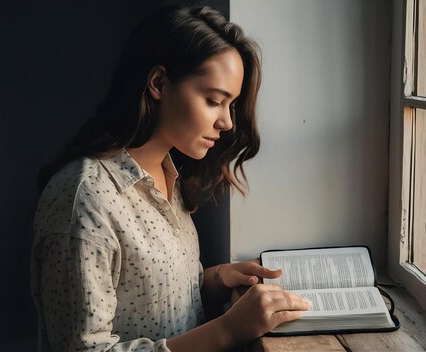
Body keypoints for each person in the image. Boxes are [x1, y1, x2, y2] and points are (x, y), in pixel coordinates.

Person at [30, 5, 311, 352]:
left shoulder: (166, 174)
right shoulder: (84, 199)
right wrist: (227, 330)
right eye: (213, 100)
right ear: (159, 83)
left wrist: (219, 279)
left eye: (231, 105)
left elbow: (160, 299)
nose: (227, 122)